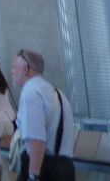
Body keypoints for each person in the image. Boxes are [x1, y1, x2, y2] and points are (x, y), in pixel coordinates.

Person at [10, 49, 76, 181]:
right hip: (65, 168)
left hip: (44, 169)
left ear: (26, 69)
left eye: (14, 67)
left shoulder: (30, 93)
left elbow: (36, 140)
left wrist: (33, 177)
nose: (11, 72)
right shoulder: (57, 92)